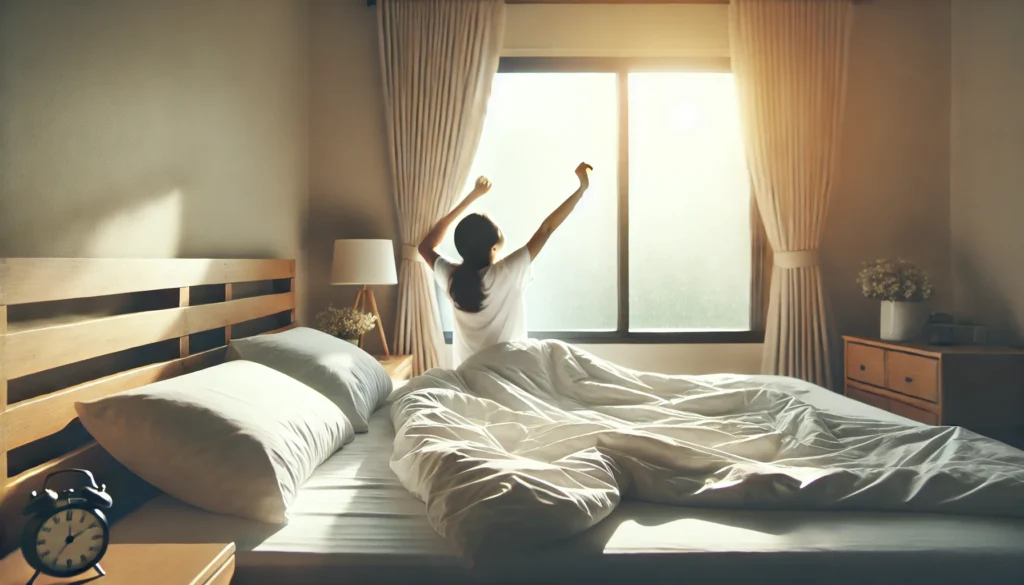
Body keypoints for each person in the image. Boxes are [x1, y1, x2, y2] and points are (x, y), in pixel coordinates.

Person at [419, 162, 593, 367]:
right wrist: (581, 188)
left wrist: (472, 197)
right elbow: (546, 228)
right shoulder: (508, 271)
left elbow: (425, 246)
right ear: (494, 247)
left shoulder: (451, 277)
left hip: (467, 379)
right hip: (511, 376)